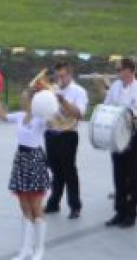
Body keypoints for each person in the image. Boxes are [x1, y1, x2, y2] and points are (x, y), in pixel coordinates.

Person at [0, 86, 52, 260]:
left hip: (35, 160)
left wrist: (50, 108)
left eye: (24, 97)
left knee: (36, 206)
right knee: (24, 205)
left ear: (33, 101)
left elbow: (53, 123)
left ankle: (39, 249)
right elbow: (2, 116)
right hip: (21, 160)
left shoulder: (40, 119)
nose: (22, 99)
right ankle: (26, 249)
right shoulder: (19, 115)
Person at [102, 57, 137, 228]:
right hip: (116, 134)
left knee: (133, 174)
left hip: (134, 134)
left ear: (129, 71)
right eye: (118, 70)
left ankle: (131, 213)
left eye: (120, 70)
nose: (117, 73)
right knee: (118, 173)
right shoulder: (115, 86)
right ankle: (119, 211)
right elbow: (107, 106)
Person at [44, 62, 88, 219]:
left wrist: (62, 101)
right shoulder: (51, 89)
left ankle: (75, 206)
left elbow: (79, 114)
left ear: (70, 75)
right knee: (55, 171)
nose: (59, 79)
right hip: (51, 132)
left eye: (62, 76)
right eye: (57, 76)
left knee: (69, 171)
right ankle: (54, 203)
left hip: (68, 134)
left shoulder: (78, 91)